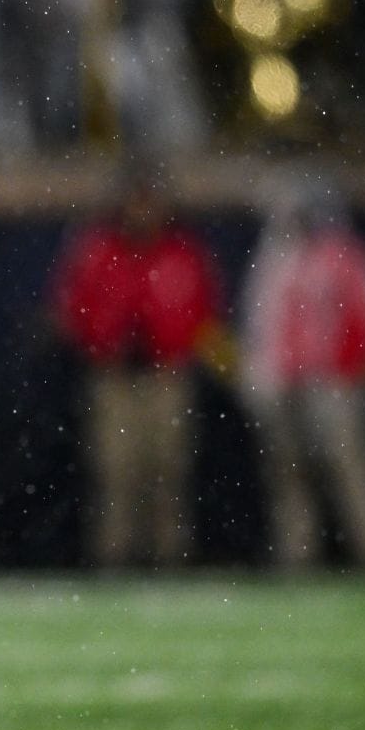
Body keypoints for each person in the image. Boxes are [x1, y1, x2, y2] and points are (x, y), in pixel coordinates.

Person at [50, 169, 221, 572]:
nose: (143, 212)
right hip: (115, 378)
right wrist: (104, 345)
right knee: (116, 471)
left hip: (166, 375)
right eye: (136, 202)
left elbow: (203, 310)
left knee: (168, 469)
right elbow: (72, 309)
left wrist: (170, 344)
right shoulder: (97, 250)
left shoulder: (181, 252)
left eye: (150, 203)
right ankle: (115, 557)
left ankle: (170, 556)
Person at [239, 178, 365, 573]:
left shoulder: (346, 257)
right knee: (289, 475)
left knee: (350, 468)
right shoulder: (276, 256)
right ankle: (298, 554)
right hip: (282, 381)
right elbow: (259, 319)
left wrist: (347, 370)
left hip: (331, 382)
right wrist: (260, 374)